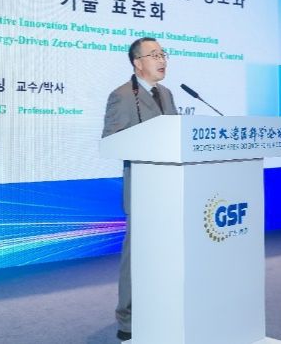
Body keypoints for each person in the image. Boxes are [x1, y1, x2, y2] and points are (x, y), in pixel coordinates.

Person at [102, 37, 178, 341]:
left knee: (168, 253)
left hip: (171, 186)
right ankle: (128, 319)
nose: (162, 60)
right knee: (137, 255)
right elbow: (111, 141)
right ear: (137, 63)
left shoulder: (167, 94)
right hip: (143, 188)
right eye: (154, 55)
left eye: (163, 54)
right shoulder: (121, 95)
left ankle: (163, 309)